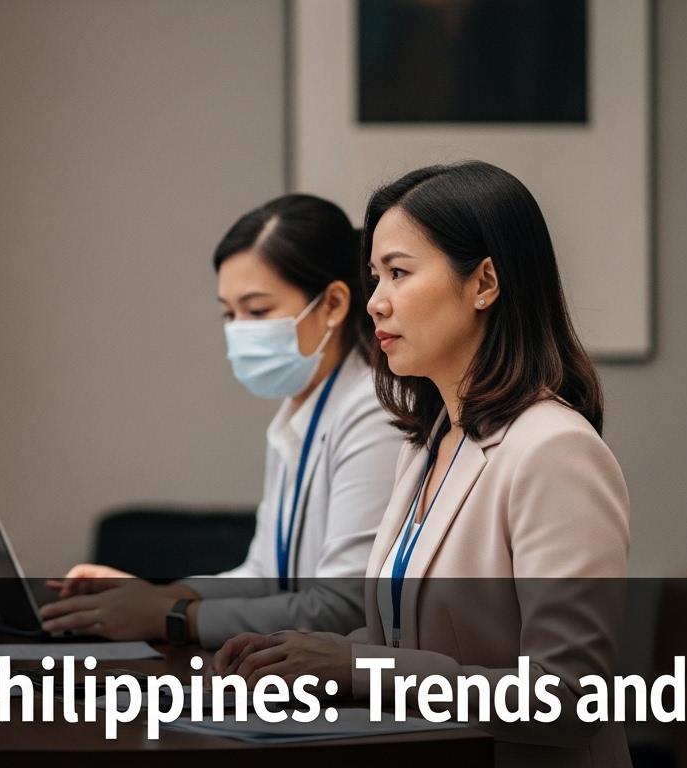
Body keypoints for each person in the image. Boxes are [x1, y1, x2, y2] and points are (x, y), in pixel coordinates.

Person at [214, 161, 632, 767]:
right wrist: (302, 655)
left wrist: (358, 667)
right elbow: (410, 640)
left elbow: (567, 698)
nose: (376, 303)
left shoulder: (554, 449)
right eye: (374, 277)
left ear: (484, 282)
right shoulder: (430, 440)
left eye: (398, 274)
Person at [41, 194, 403, 648]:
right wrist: (158, 596)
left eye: (256, 311)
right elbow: (264, 575)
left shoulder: (373, 410)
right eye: (229, 314)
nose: (239, 331)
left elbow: (341, 607)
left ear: (332, 304)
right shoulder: (301, 410)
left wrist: (172, 616)